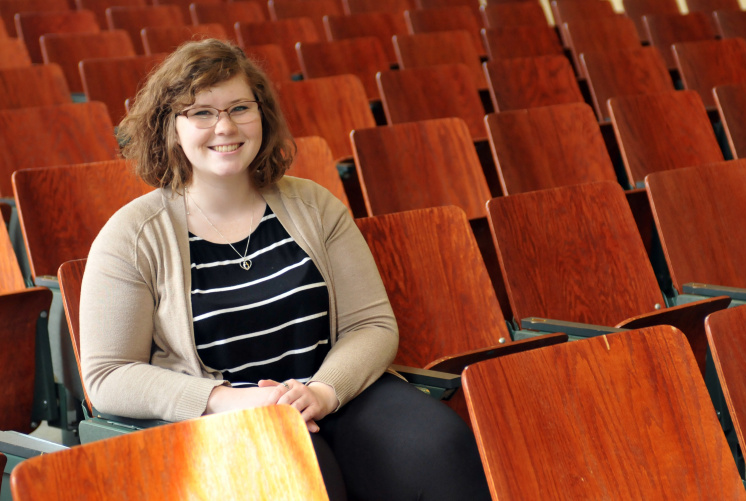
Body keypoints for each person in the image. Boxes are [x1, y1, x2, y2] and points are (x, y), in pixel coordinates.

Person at [80, 38, 491, 501]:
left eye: (239, 108)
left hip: (332, 392)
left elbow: (370, 324)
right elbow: (108, 375)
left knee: (439, 447)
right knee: (300, 473)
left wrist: (321, 392)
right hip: (226, 416)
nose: (224, 126)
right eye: (201, 112)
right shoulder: (132, 235)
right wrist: (229, 401)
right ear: (170, 128)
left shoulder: (313, 204)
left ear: (262, 115)